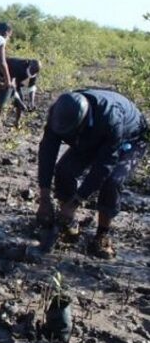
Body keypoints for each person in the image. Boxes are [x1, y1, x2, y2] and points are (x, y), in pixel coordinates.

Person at [35, 90, 147, 258]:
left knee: (112, 181)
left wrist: (76, 202)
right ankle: (68, 223)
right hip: (90, 135)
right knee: (64, 170)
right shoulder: (58, 114)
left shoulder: (111, 119)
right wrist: (44, 197)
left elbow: (104, 166)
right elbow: (47, 152)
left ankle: (102, 234)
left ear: (82, 122)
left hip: (130, 138)